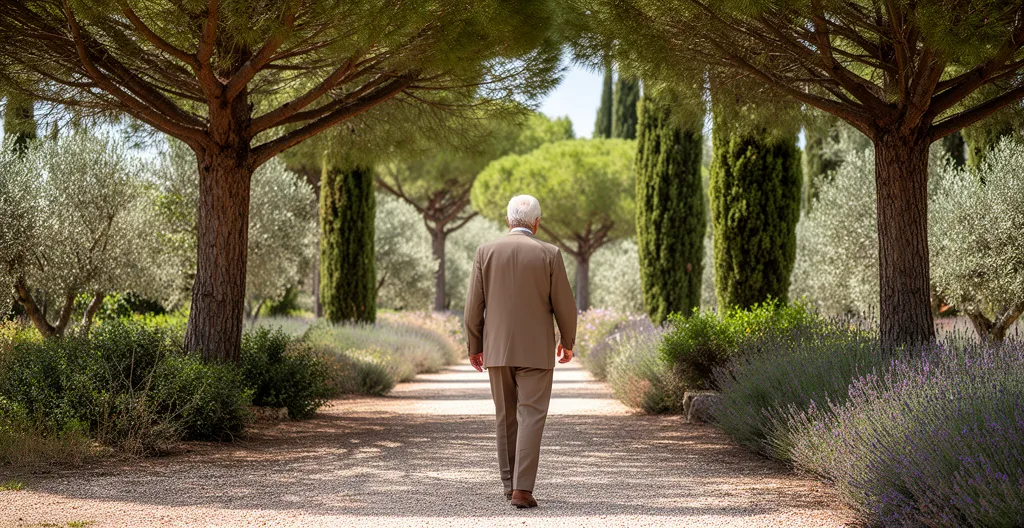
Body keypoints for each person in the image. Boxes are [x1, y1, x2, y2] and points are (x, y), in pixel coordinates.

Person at [464, 194, 578, 509]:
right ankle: (523, 490)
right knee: (532, 416)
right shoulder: (551, 254)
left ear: (508, 221)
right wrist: (567, 341)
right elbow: (564, 305)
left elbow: (474, 306)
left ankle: (508, 486)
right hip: (537, 351)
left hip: (497, 349)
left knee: (505, 416)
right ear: (537, 223)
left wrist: (475, 345)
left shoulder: (485, 252)